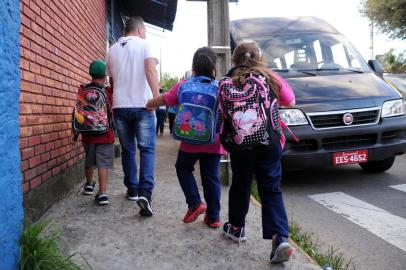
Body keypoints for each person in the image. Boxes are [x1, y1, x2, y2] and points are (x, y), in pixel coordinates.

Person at [221, 41, 296, 264]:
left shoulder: (228, 80)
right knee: (271, 187)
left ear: (234, 60)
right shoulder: (269, 76)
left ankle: (236, 228)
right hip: (269, 141)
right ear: (259, 57)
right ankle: (279, 237)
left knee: (241, 184)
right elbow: (291, 100)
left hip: (240, 143)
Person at [146, 47, 226, 228]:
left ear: (193, 66)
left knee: (183, 168)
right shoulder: (219, 87)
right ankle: (213, 217)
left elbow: (165, 99)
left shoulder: (184, 85)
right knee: (211, 177)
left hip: (190, 140)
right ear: (214, 67)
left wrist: (149, 104)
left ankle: (195, 203)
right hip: (213, 140)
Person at [106, 16, 160, 216]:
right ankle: (146, 192)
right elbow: (150, 69)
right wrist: (156, 98)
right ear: (140, 29)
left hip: (120, 106)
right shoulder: (144, 44)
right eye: (144, 30)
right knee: (146, 150)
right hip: (143, 105)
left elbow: (112, 78)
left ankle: (132, 189)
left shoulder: (111, 49)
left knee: (128, 150)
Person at [80, 60, 114, 206]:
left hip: (86, 131)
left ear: (91, 73)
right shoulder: (108, 91)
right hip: (105, 133)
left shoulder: (82, 89)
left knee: (89, 159)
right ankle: (102, 193)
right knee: (103, 163)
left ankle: (89, 185)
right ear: (105, 76)